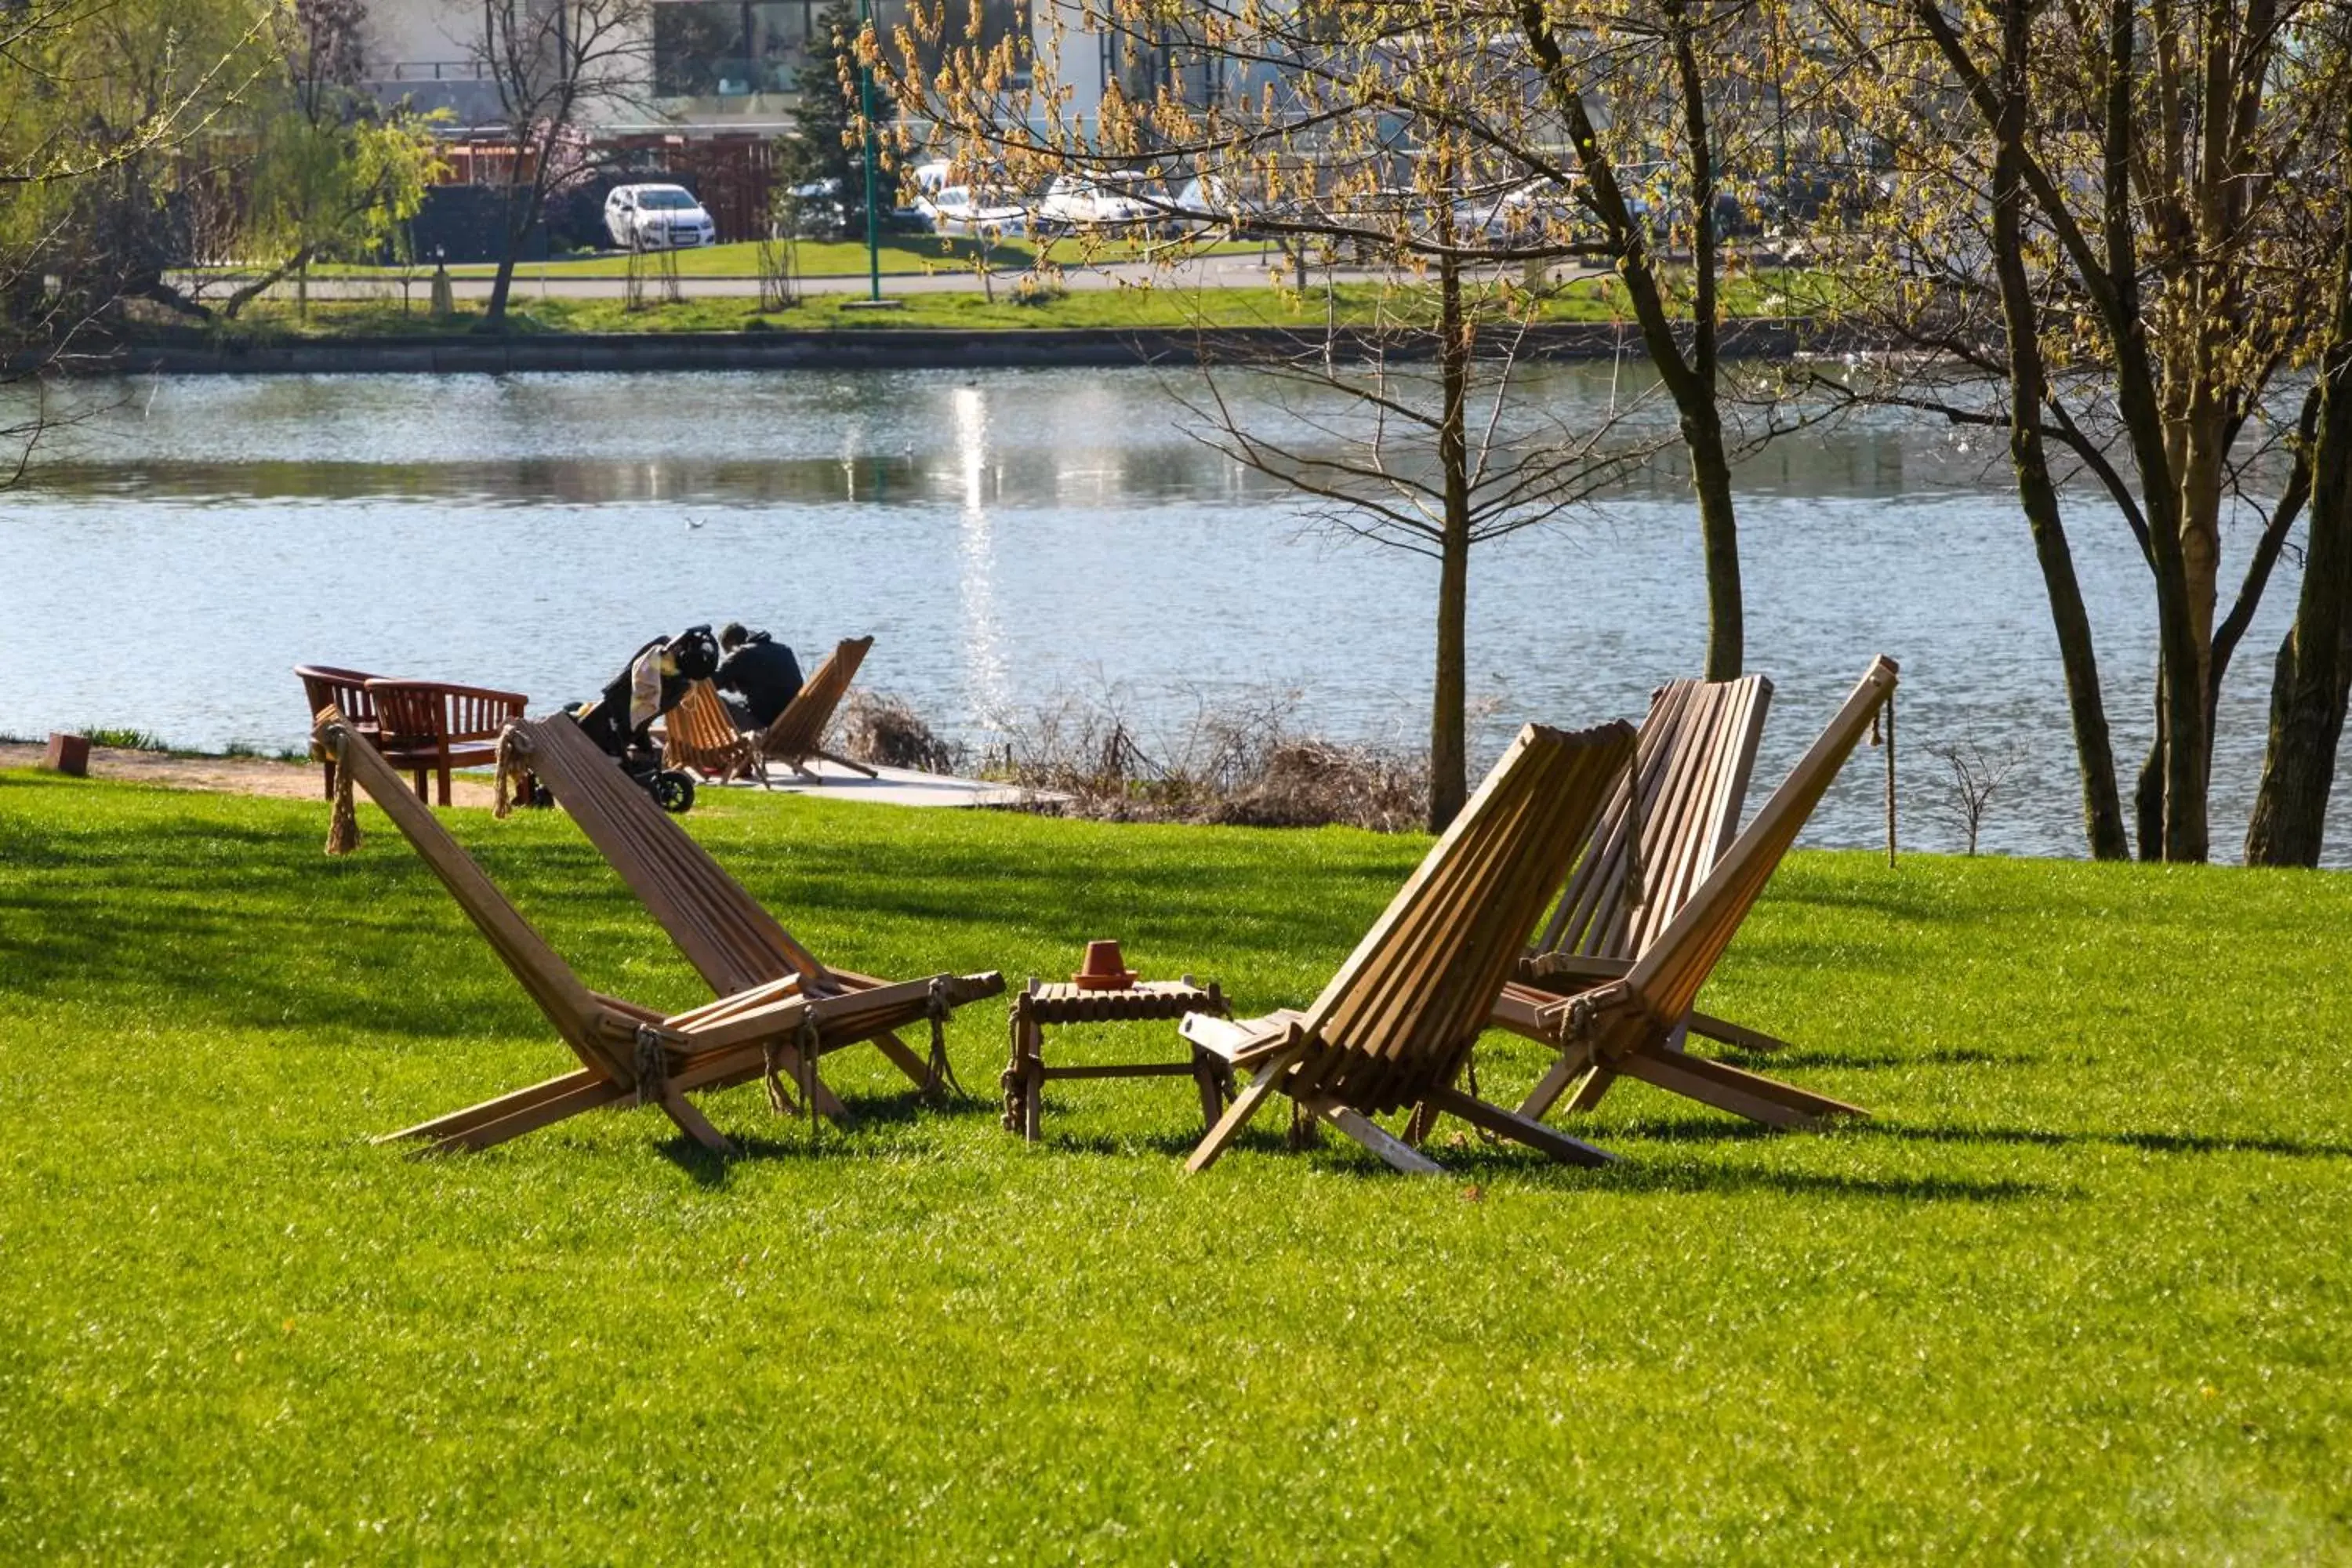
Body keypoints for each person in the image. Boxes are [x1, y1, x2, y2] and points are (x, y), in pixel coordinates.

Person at [713, 622, 804, 731]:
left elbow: (711, 683)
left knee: (713, 699)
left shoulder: (740, 654)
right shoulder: (784, 649)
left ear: (731, 643)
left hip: (764, 724)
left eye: (726, 651)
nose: (727, 655)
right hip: (796, 719)